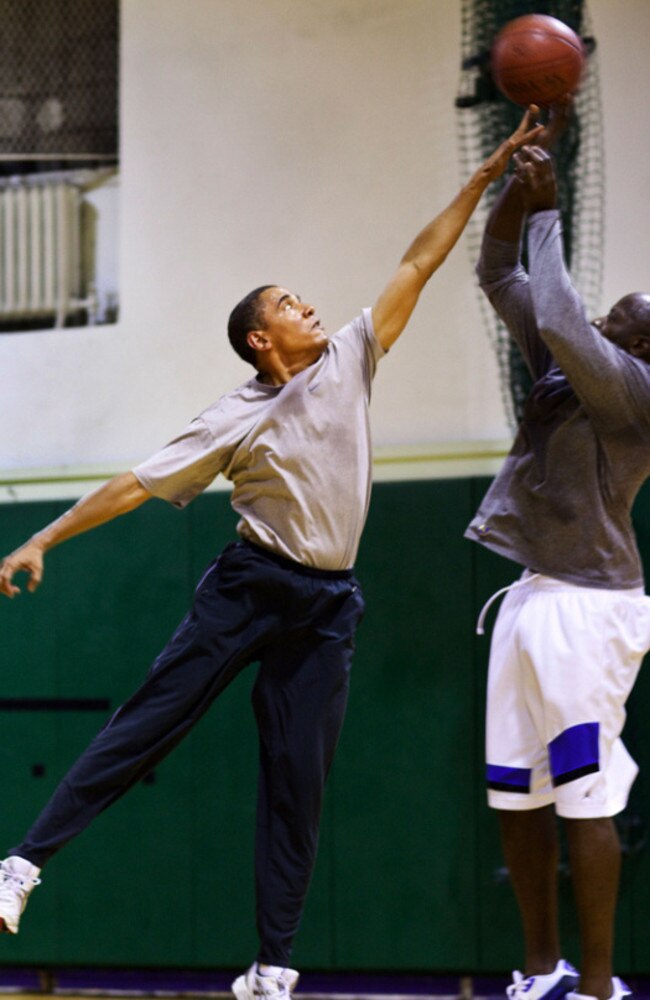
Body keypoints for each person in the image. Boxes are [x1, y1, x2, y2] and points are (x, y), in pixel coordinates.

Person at [0, 109, 539, 998]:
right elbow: (135, 484)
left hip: (328, 605)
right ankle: (23, 863)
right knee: (148, 724)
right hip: (250, 586)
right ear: (261, 338)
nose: (310, 307)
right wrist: (42, 536)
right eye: (290, 305)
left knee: (300, 782)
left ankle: (271, 968)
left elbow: (418, 261)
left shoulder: (351, 357)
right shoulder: (233, 415)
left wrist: (482, 180)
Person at [466, 139, 650, 1000]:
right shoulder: (563, 371)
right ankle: (542, 972)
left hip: (592, 608)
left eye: (623, 321)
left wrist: (549, 208)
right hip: (533, 593)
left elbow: (565, 321)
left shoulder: (634, 392)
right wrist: (516, 192)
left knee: (585, 797)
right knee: (517, 794)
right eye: (609, 316)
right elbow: (499, 272)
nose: (606, 322)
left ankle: (600, 988)